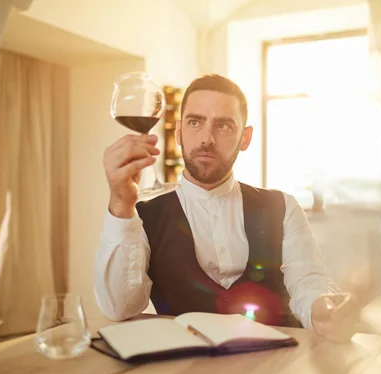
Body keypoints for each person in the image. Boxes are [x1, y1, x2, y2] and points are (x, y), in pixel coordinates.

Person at [94, 74, 359, 339]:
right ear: (178, 132)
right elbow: (119, 308)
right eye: (195, 122)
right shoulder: (142, 216)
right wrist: (120, 203)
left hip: (275, 363)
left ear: (245, 138)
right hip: (182, 367)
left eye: (223, 126)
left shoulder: (284, 207)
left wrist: (325, 309)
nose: (207, 138)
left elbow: (308, 281)